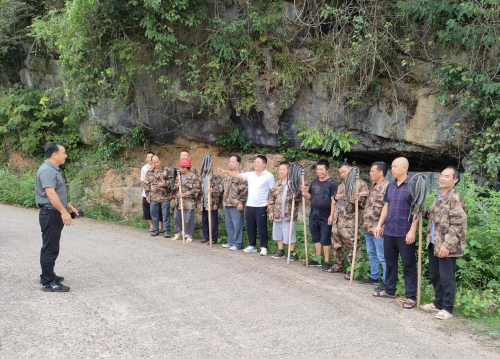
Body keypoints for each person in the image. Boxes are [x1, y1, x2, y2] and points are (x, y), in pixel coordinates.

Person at [372, 157, 419, 309]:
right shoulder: (390, 186)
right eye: (391, 166)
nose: (392, 169)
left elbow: (417, 210)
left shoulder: (413, 185)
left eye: (395, 167)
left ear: (405, 168)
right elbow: (386, 205)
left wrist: (413, 230)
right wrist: (380, 224)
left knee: (408, 265)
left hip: (405, 232)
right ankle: (390, 290)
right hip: (390, 230)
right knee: (390, 263)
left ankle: (410, 296)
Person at [421, 166, 467, 320]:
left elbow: (458, 224)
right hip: (434, 242)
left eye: (447, 176)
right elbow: (437, 216)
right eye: (441, 175)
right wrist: (424, 213)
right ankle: (438, 303)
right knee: (435, 275)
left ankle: (447, 308)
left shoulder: (455, 198)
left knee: (447, 277)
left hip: (447, 244)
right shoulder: (439, 196)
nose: (442, 178)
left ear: (455, 181)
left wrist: (447, 245)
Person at [35, 142, 79, 292]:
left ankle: (48, 274)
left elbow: (57, 192)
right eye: (63, 152)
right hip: (51, 213)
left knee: (51, 246)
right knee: (50, 248)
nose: (65, 155)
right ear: (54, 154)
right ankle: (48, 282)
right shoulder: (47, 170)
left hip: (52, 211)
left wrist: (68, 206)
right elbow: (50, 194)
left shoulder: (52, 169)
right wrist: (63, 212)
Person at [218, 155, 275, 256]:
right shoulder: (250, 174)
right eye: (255, 162)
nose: (256, 164)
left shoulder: (268, 176)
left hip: (261, 205)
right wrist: (226, 172)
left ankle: (263, 246)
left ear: (264, 164)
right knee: (250, 226)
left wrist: (270, 203)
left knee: (262, 227)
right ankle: (252, 245)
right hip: (250, 205)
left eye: (258, 162)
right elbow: (237, 175)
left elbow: (273, 191)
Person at [329, 162, 368, 276]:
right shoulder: (342, 185)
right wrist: (336, 198)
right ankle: (337, 265)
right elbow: (335, 199)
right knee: (336, 244)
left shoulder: (359, 184)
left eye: (344, 172)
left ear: (351, 170)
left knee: (352, 245)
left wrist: (352, 198)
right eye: (340, 173)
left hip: (350, 221)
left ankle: (354, 269)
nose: (342, 174)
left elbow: (364, 202)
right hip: (338, 220)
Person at [300, 159, 338, 269]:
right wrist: (304, 192)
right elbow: (310, 198)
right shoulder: (314, 182)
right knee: (316, 238)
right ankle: (317, 259)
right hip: (313, 215)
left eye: (321, 169)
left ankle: (326, 262)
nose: (319, 171)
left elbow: (333, 201)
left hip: (326, 216)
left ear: (327, 170)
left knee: (325, 239)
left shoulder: (332, 184)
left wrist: (331, 215)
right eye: (317, 169)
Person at [358, 161, 389, 290]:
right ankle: (374, 276)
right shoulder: (374, 186)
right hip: (368, 227)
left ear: (380, 172)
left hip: (378, 227)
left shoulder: (387, 187)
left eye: (372, 171)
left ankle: (387, 281)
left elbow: (388, 208)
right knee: (372, 253)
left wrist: (383, 225)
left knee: (382, 255)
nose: (370, 173)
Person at [269, 162, 301, 259]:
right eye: (280, 170)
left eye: (283, 169)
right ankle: (281, 251)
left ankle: (291, 253)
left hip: (289, 213)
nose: (281, 171)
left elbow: (299, 199)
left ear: (288, 171)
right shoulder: (276, 184)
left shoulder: (293, 184)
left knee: (290, 233)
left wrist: (297, 194)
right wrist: (271, 211)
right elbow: (271, 199)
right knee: (278, 232)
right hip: (277, 213)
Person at [221, 154, 248, 250]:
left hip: (236, 203)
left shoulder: (242, 175)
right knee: (229, 224)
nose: (230, 163)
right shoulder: (227, 175)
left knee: (237, 225)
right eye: (229, 162)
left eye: (233, 162)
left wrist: (241, 202)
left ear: (238, 163)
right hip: (227, 202)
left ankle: (237, 243)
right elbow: (223, 188)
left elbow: (244, 190)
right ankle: (230, 241)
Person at [144, 155, 173, 238]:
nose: (156, 164)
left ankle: (167, 231)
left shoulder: (166, 170)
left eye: (157, 162)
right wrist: (147, 195)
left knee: (165, 215)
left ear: (160, 161)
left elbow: (172, 182)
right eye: (154, 163)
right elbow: (146, 184)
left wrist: (163, 184)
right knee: (154, 214)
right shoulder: (149, 171)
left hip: (165, 197)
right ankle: (155, 230)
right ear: (152, 163)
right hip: (153, 197)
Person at [173, 158, 201, 242]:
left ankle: (189, 235)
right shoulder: (179, 176)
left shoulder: (193, 177)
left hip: (188, 203)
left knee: (188, 219)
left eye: (181, 167)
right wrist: (177, 186)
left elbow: (196, 191)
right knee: (177, 218)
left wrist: (184, 194)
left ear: (185, 168)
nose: (179, 169)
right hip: (179, 202)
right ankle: (179, 234)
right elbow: (174, 188)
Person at [198, 167, 223, 244]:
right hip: (204, 202)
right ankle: (206, 237)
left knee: (213, 221)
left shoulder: (216, 177)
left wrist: (216, 203)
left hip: (212, 203)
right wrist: (199, 202)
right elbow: (200, 191)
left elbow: (220, 189)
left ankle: (213, 238)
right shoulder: (202, 177)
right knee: (204, 220)